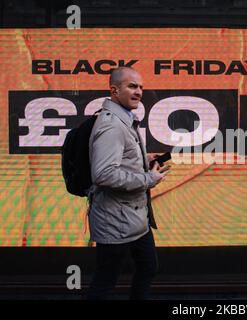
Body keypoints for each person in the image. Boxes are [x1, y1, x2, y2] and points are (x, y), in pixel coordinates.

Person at [87, 67, 169, 300]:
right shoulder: (112, 125)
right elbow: (103, 174)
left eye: (141, 87)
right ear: (114, 90)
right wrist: (148, 179)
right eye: (132, 86)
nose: (139, 91)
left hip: (135, 218)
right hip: (115, 221)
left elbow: (121, 160)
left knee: (148, 267)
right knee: (105, 283)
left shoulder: (125, 119)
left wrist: (145, 160)